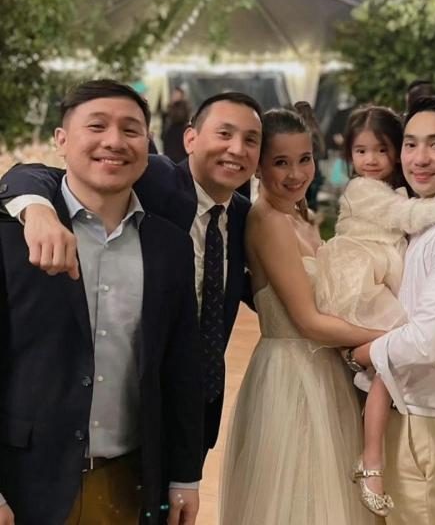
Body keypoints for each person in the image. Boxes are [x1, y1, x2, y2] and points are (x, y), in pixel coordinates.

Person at [0, 91, 263, 465]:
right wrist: (37, 209)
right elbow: (34, 174)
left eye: (251, 140)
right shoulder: (154, 176)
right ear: (190, 138)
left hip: (194, 406)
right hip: (115, 410)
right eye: (224, 134)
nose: (236, 149)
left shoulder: (245, 218)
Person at [0, 80, 204, 525]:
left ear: (147, 145)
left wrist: (185, 475)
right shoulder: (15, 236)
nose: (114, 141)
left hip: (127, 481)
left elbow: (181, 368)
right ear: (61, 140)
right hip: (23, 481)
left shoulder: (169, 246)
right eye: (96, 126)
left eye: (131, 130)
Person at [314, 106, 435, 516]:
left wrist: (362, 352)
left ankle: (371, 461)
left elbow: (428, 341)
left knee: (421, 513)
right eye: (412, 144)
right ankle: (371, 459)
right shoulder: (390, 198)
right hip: (369, 297)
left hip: (423, 409)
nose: (420, 157)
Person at [219, 107, 385, 525]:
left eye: (304, 159)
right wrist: (391, 336)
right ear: (258, 167)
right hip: (292, 372)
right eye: (280, 162)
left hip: (324, 367)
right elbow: (308, 321)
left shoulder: (300, 214)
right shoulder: (268, 221)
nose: (296, 174)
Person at [161, 86, 191, 163]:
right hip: (171, 136)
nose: (174, 96)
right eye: (174, 94)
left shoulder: (183, 106)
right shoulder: (169, 108)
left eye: (177, 94)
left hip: (178, 136)